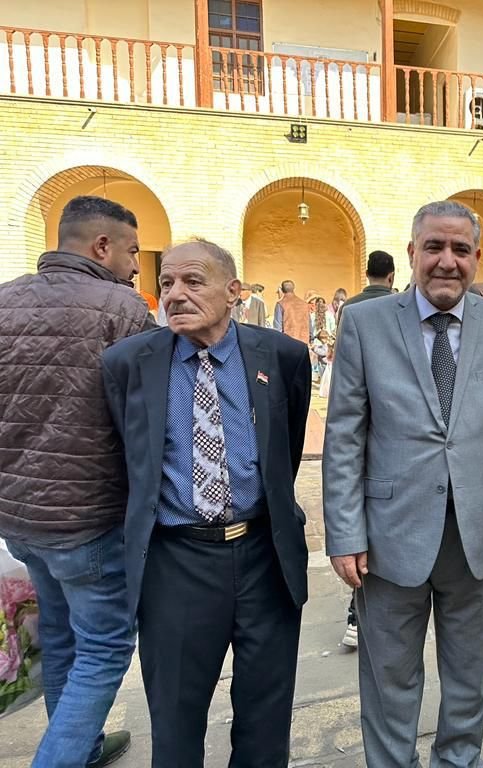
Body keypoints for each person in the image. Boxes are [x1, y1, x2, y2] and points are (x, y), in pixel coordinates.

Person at [323, 200, 483, 767]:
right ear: (412, 252)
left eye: (460, 250)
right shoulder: (366, 324)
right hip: (388, 539)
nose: (447, 261)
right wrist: (344, 533)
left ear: (476, 257)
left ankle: (457, 760)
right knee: (389, 679)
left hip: (476, 537)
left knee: (469, 674)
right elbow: (344, 436)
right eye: (434, 248)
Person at [101, 238, 311, 768]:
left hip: (265, 556)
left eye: (193, 281)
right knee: (175, 717)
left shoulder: (281, 356)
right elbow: (125, 461)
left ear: (233, 291)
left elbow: (284, 451)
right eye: (167, 282)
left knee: (266, 718)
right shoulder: (127, 364)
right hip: (176, 562)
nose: (175, 294)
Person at [0, 196, 150, 768]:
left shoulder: (4, 298)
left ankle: (81, 748)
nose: (136, 266)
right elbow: (148, 416)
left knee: (63, 636)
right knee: (105, 646)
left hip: (20, 518)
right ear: (102, 246)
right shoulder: (122, 308)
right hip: (86, 521)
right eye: (132, 252)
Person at [332, 247, 396, 650]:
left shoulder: (350, 308)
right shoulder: (397, 309)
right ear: (392, 275)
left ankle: (356, 616)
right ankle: (359, 615)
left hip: (361, 424)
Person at [273, 279, 308, 344]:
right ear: (293, 288)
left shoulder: (281, 304)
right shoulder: (304, 304)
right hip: (303, 340)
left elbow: (277, 327)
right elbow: (309, 323)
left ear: (282, 290)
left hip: (288, 341)